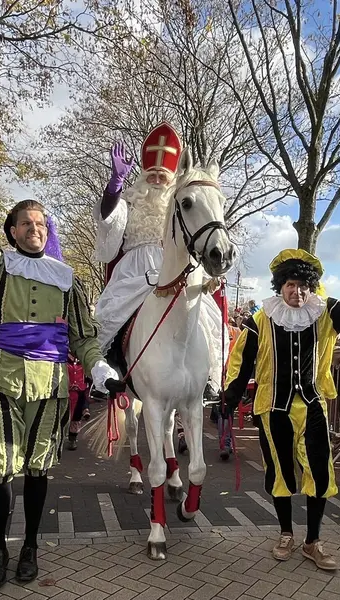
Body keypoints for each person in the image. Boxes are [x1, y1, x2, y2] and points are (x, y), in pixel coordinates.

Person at [0, 110, 120, 589]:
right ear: (12, 230)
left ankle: (31, 544)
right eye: (26, 222)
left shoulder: (67, 278)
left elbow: (82, 334)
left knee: (38, 468)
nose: (36, 228)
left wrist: (98, 366)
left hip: (50, 385)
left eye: (41, 222)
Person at [224, 231, 340, 571]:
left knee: (319, 472)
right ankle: (285, 533)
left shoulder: (326, 312)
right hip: (273, 409)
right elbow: (241, 364)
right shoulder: (260, 320)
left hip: (313, 406)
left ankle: (313, 541)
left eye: (303, 286)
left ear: (311, 287)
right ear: (279, 285)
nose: (297, 292)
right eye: (290, 285)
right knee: (281, 473)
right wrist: (229, 397)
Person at [92, 126, 225, 403]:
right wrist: (114, 186)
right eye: (150, 174)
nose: (156, 179)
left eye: (162, 175)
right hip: (134, 269)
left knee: (209, 318)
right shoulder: (130, 202)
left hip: (173, 268)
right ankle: (109, 369)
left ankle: (209, 379)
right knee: (112, 314)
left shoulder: (182, 202)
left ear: (172, 178)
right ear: (142, 175)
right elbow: (108, 220)